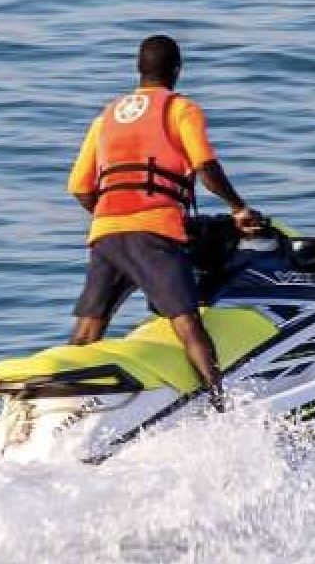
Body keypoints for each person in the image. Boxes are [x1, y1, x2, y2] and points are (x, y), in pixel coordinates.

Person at [66, 34, 263, 410]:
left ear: (139, 70)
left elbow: (78, 186)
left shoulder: (106, 116)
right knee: (187, 323)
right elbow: (205, 167)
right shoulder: (180, 109)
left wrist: (114, 215)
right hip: (154, 232)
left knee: (88, 329)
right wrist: (238, 207)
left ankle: (61, 407)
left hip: (106, 232)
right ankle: (220, 409)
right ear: (177, 70)